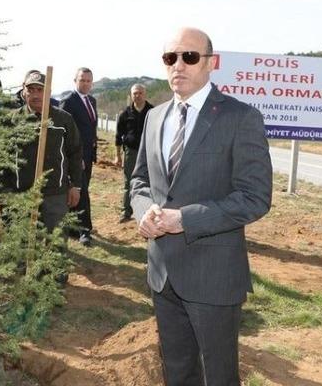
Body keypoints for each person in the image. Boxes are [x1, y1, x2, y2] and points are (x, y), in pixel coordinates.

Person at [130, 27, 272, 385]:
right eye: (169, 58)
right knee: (177, 372)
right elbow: (139, 182)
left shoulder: (240, 118)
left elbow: (255, 197)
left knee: (219, 376)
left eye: (189, 57)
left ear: (212, 63)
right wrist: (143, 209)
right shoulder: (155, 116)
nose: (178, 65)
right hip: (163, 273)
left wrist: (185, 219)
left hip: (214, 277)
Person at [13, 71, 83, 235]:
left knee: (56, 244)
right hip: (22, 192)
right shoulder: (12, 121)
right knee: (22, 244)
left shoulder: (63, 119)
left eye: (40, 90)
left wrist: (76, 186)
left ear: (48, 92)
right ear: (24, 91)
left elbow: (75, 153)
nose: (35, 94)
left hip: (55, 193)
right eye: (31, 90)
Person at [59, 67, 97, 246]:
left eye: (89, 81)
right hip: (76, 157)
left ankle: (74, 227)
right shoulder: (68, 102)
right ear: (75, 81)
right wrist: (74, 157)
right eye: (82, 80)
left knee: (82, 189)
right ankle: (85, 230)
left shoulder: (92, 101)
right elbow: (63, 133)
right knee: (81, 192)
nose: (86, 83)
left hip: (89, 156)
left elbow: (90, 130)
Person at [114, 83, 153, 223]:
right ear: (131, 95)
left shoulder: (153, 112)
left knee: (149, 183)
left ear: (145, 94)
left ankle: (147, 212)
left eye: (140, 93)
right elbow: (118, 136)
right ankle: (126, 212)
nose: (137, 95)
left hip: (149, 153)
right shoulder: (125, 114)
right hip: (131, 153)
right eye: (135, 93)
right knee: (128, 182)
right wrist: (117, 155)